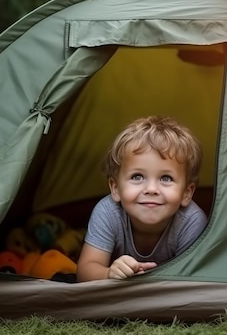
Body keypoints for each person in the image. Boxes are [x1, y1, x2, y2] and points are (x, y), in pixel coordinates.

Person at [77, 115, 208, 281]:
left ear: (186, 193)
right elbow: (85, 271)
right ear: (115, 188)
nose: (151, 189)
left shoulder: (191, 221)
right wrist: (108, 274)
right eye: (137, 177)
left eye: (166, 178)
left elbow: (195, 281)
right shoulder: (108, 212)